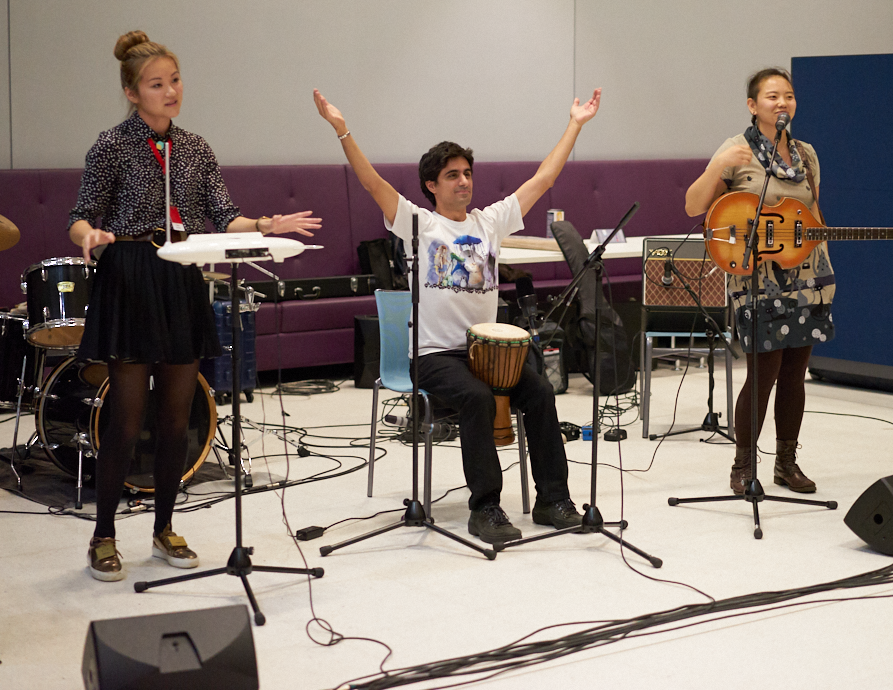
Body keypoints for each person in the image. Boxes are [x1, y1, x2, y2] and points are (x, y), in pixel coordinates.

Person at [69, 31, 321, 582]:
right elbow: (81, 214)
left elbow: (222, 213)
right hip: (131, 277)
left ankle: (163, 527)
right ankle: (103, 533)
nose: (170, 91)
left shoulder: (197, 148)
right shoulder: (110, 146)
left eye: (175, 80)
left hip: (182, 276)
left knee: (176, 418)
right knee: (126, 417)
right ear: (132, 93)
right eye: (157, 84)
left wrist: (264, 225)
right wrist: (89, 234)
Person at [314, 87, 601, 544]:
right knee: (477, 399)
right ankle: (485, 507)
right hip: (433, 356)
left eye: (467, 173)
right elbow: (372, 183)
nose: (463, 182)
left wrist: (575, 124)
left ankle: (553, 499)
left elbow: (543, 179)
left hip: (487, 353)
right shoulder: (419, 224)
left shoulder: (490, 221)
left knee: (542, 392)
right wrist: (342, 129)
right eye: (452, 176)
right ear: (432, 185)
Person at [684, 67, 835, 495]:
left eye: (788, 96)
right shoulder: (735, 150)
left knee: (795, 374)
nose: (782, 103)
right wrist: (716, 166)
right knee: (763, 373)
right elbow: (693, 206)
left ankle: (786, 463)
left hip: (808, 276)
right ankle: (742, 466)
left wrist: (825, 255)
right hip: (757, 281)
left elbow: (815, 214)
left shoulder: (806, 154)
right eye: (772, 97)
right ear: (753, 106)